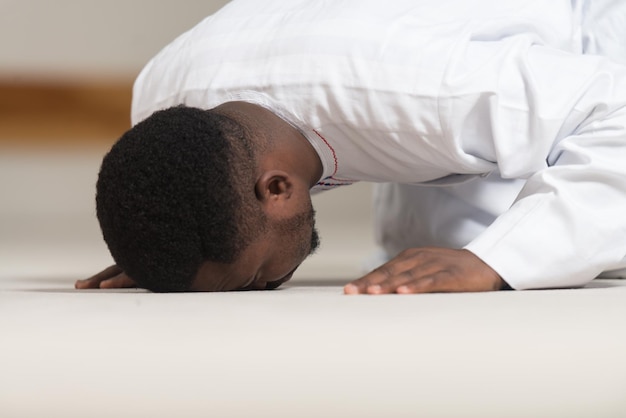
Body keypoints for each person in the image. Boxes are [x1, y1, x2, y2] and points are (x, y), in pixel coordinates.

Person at [76, 0, 626, 294]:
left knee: (523, 255)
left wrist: (500, 258)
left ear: (277, 187)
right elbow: (172, 188)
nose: (262, 285)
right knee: (431, 251)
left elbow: (616, 106)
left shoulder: (425, 94)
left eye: (253, 280)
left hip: (586, 27)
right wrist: (162, 253)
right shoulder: (159, 98)